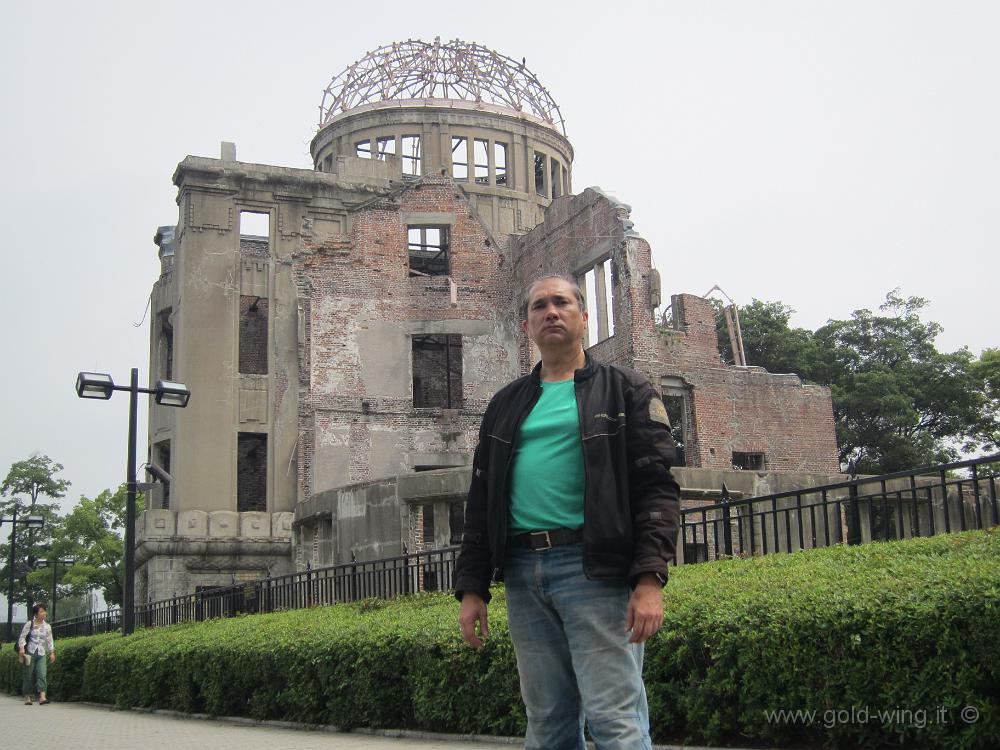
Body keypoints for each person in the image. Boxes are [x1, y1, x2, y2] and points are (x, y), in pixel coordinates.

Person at [455, 274, 680, 750]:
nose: (550, 312)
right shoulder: (505, 404)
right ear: (527, 325)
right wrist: (472, 587)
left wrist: (648, 579)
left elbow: (656, 489)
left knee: (615, 717)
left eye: (561, 303)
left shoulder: (626, 391)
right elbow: (482, 499)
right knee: (547, 720)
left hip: (594, 568)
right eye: (539, 306)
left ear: (583, 316)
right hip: (522, 571)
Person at [18, 603, 56, 705]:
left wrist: (52, 653)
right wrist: (22, 648)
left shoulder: (47, 627)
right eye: (41, 611)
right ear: (36, 614)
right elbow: (22, 637)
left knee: (42, 674)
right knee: (28, 675)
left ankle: (42, 697)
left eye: (44, 611)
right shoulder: (29, 624)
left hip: (41, 653)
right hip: (30, 652)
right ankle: (27, 696)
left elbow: (49, 641)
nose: (44, 613)